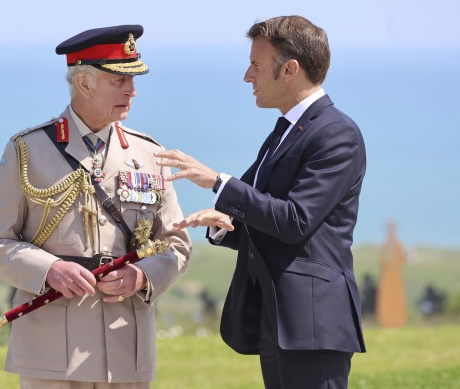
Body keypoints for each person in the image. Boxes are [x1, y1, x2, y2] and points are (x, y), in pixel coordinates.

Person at [156, 15, 366, 388]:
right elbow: (257, 213)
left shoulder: (337, 133)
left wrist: (217, 181)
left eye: (255, 65)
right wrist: (222, 224)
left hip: (313, 326)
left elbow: (295, 221)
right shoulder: (285, 130)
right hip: (279, 319)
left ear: (289, 70)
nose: (247, 76)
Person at [0, 25, 191, 389]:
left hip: (127, 345)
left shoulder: (150, 153)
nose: (132, 91)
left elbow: (176, 244)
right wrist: (50, 269)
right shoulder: (27, 150)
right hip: (50, 353)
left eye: (133, 81)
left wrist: (143, 276)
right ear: (84, 83)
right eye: (118, 81)